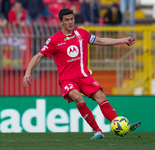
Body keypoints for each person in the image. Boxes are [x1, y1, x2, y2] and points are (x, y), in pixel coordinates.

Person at [23, 8, 141, 139]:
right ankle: (98, 131)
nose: (70, 22)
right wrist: (28, 72)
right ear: (61, 22)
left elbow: (101, 41)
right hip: (67, 80)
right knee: (78, 98)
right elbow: (38, 56)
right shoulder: (54, 40)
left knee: (101, 97)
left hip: (84, 76)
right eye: (66, 20)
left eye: (72, 19)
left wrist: (123, 40)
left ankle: (120, 124)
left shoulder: (82, 34)